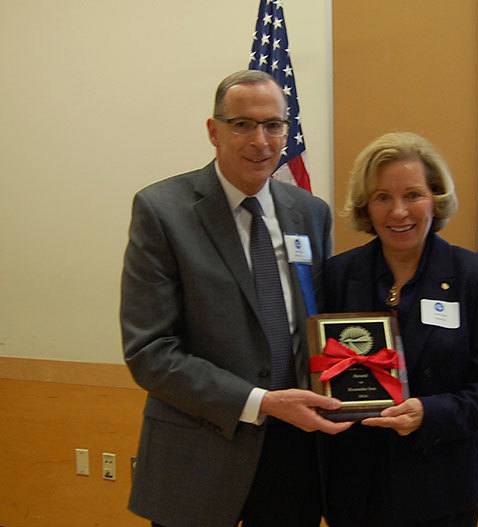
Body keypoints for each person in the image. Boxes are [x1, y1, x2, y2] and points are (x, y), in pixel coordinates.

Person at [120, 70, 350, 527]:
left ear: (287, 130)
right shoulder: (162, 211)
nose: (260, 141)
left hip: (296, 454)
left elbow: (321, 327)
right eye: (242, 124)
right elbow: (150, 352)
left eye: (273, 125)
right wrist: (260, 401)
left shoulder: (311, 213)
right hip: (199, 454)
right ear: (213, 130)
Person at [322, 132, 478, 526]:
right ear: (366, 206)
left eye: (413, 195)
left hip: (443, 484)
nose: (398, 212)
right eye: (382, 197)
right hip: (357, 484)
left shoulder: (472, 275)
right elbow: (322, 370)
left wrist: (429, 412)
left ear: (436, 198)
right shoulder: (338, 275)